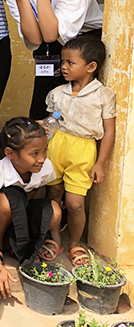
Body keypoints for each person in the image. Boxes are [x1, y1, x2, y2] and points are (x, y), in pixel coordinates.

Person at [0, 0, 104, 119]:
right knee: (42, 112)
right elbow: (37, 40)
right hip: (48, 46)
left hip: (86, 42)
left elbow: (52, 34)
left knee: (81, 112)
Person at [43, 35, 115, 266]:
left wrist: (100, 163)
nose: (63, 67)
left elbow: (109, 132)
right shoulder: (57, 93)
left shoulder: (103, 95)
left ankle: (75, 242)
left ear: (91, 67)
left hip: (83, 151)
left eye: (70, 63)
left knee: (75, 203)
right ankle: (54, 238)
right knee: (52, 194)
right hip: (56, 146)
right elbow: (51, 120)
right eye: (63, 62)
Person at [0, 117, 60, 300]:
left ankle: (18, 244)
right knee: (7, 201)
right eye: (34, 153)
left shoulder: (44, 167)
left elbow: (40, 193)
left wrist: (54, 238)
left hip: (20, 213)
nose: (42, 158)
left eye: (44, 150)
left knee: (54, 210)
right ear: (10, 153)